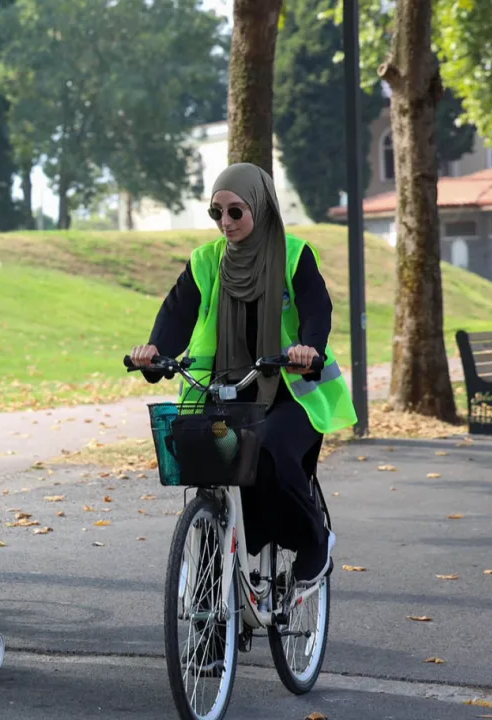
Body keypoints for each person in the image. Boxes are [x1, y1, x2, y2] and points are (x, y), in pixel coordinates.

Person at [129, 163, 356, 587]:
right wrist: (155, 352)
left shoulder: (293, 254)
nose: (225, 223)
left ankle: (313, 542)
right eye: (217, 213)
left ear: (261, 207)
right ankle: (211, 618)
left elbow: (315, 308)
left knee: (269, 450)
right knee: (211, 471)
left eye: (236, 211)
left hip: (291, 391)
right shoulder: (206, 261)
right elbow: (177, 314)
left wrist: (309, 349)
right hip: (223, 390)